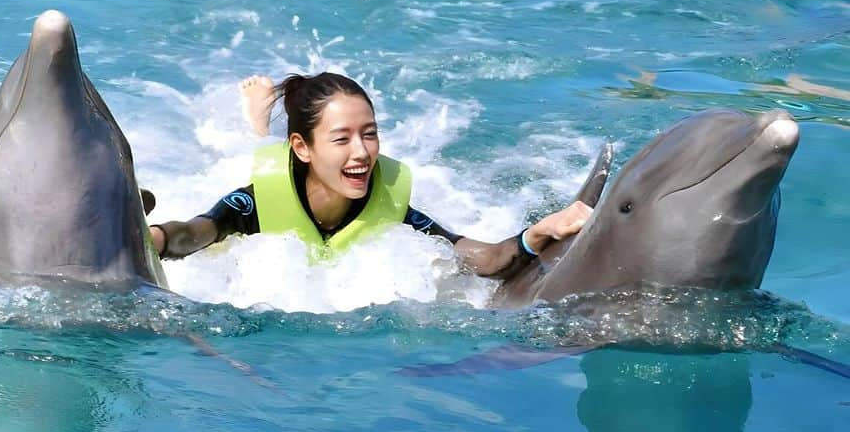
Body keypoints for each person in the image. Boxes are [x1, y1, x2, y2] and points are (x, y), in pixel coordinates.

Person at [148, 72, 591, 277]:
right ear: (302, 147)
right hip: (283, 167)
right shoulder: (253, 202)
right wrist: (155, 238)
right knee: (254, 146)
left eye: (370, 134)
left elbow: (484, 258)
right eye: (342, 139)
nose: (363, 153)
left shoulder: (388, 206)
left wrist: (540, 232)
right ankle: (259, 116)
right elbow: (195, 233)